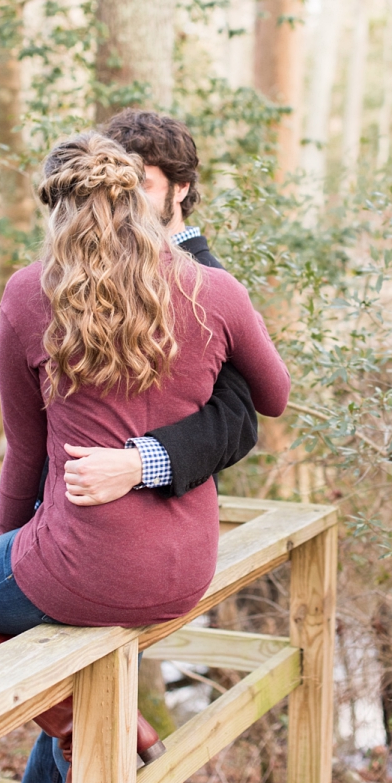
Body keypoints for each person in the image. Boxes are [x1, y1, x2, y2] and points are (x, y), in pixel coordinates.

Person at [0, 132, 289, 783]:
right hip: (186, 568)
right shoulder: (209, 291)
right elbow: (274, 395)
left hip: (84, 566)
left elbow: (25, 454)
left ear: (56, 208)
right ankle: (79, 766)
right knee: (71, 694)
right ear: (139, 199)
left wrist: (6, 536)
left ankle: (100, 728)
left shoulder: (32, 292)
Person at [58, 109, 259, 506]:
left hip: (167, 516)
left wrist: (138, 463)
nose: (125, 202)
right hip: (65, 511)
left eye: (142, 186)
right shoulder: (77, 274)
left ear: (180, 189)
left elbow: (238, 419)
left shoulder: (212, 282)